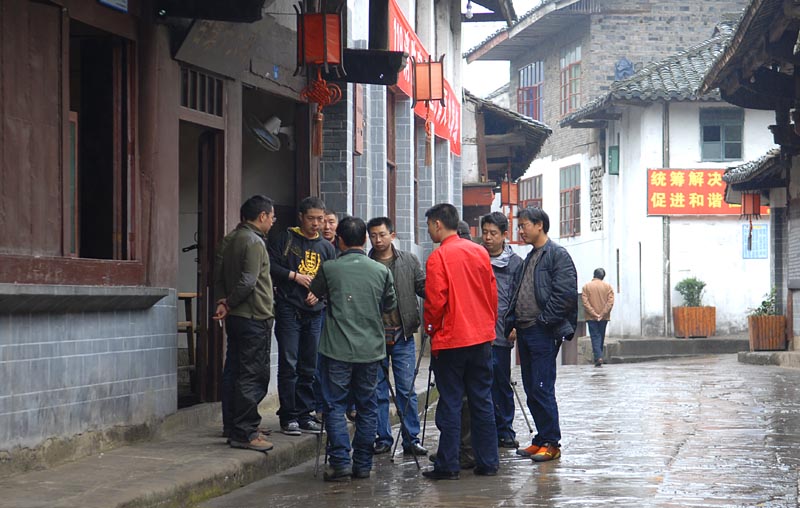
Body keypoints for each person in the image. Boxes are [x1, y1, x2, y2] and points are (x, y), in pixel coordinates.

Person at [309, 216, 397, 481]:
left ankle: (340, 463)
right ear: (365, 239)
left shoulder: (330, 268)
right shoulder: (381, 271)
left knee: (335, 405)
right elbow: (390, 304)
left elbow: (316, 291)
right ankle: (363, 465)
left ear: (340, 241)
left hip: (337, 349)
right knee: (367, 407)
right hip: (370, 350)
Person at [422, 203, 499, 480]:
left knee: (451, 402)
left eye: (429, 225)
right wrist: (488, 325)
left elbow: (436, 301)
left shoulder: (439, 257)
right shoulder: (479, 252)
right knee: (482, 400)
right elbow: (492, 294)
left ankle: (448, 464)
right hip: (480, 337)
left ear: (438, 224)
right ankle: (488, 461)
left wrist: (430, 328)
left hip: (451, 339)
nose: (429, 230)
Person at [508, 207, 577, 463]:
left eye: (524, 225)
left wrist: (544, 321)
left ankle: (551, 443)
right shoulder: (530, 257)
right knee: (530, 388)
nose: (521, 230)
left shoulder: (557, 255)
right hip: (525, 330)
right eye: (519, 226)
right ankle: (540, 438)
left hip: (542, 331)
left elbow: (565, 295)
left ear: (540, 225)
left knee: (542, 387)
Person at [212, 195, 276, 451]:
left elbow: (217, 275)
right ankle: (245, 432)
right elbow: (249, 281)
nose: (272, 221)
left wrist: (223, 302)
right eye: (271, 217)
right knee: (253, 374)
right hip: (254, 316)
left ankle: (234, 425)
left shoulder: (231, 239)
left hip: (238, 318)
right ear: (262, 216)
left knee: (234, 371)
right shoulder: (254, 242)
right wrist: (229, 302)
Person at [268, 197, 336, 436]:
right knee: (289, 363)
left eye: (320, 219)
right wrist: (294, 276)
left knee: (309, 365)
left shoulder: (326, 247)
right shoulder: (285, 238)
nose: (316, 224)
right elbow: (270, 266)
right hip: (288, 308)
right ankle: (288, 416)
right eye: (311, 218)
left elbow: (331, 278)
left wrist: (319, 295)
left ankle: (306, 414)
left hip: (315, 313)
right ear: (301, 217)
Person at [366, 217, 428, 457]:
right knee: (378, 390)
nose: (378, 240)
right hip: (374, 337)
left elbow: (422, 287)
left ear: (392, 235)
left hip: (403, 334)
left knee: (406, 389)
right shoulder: (366, 263)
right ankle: (383, 438)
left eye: (382, 234)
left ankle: (411, 438)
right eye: (373, 235)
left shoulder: (409, 260)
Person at [480, 212, 523, 449]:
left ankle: (505, 429)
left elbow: (519, 296)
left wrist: (515, 324)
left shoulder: (515, 263)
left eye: (493, 233)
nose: (488, 238)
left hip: (501, 332)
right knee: (481, 383)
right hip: (477, 331)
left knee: (501, 382)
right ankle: (485, 432)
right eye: (485, 232)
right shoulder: (476, 257)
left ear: (505, 235)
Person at [581, 268, 615, 367]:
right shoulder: (608, 287)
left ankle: (598, 357)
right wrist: (602, 314)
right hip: (604, 317)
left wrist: (594, 314)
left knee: (595, 336)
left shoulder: (586, 287)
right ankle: (598, 356)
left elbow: (585, 303)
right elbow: (610, 302)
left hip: (591, 317)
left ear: (594, 275)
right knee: (601, 335)